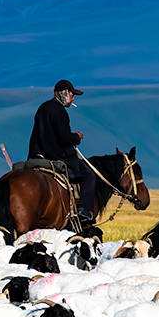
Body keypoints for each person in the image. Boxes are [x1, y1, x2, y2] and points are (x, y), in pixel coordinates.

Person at [27, 80, 94, 217]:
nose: (73, 98)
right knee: (89, 175)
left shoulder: (43, 107)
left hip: (36, 155)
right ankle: (85, 211)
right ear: (64, 93)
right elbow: (63, 138)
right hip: (56, 157)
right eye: (72, 94)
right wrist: (76, 137)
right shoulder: (60, 111)